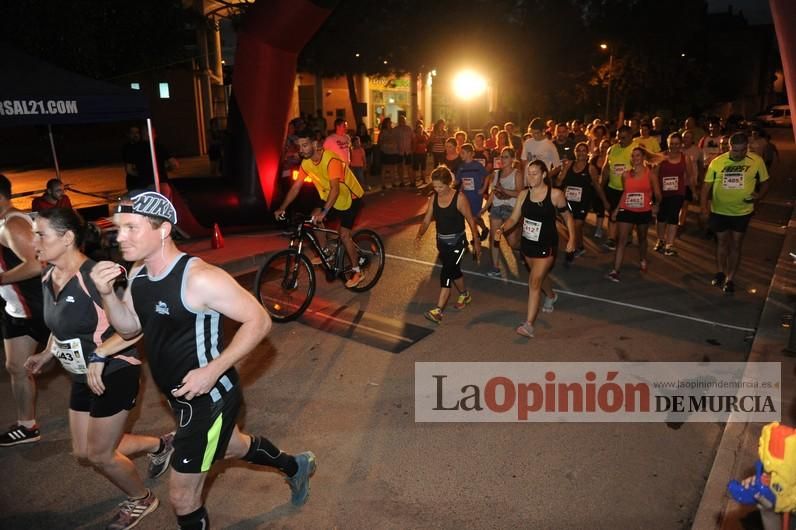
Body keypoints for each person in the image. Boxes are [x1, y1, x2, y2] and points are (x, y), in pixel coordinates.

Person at [91, 191, 317, 529]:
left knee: (183, 499)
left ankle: (295, 467)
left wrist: (212, 371)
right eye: (118, 228)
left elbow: (259, 320)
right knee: (233, 446)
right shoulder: (138, 273)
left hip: (208, 399)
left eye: (131, 228)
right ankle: (296, 466)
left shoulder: (199, 278)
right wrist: (108, 295)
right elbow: (130, 328)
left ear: (164, 229)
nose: (120, 237)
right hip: (178, 396)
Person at [24, 207, 174, 530]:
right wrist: (47, 353)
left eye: (40, 234)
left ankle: (143, 499)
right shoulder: (48, 274)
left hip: (115, 371)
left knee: (100, 454)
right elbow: (62, 326)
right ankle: (161, 445)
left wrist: (101, 354)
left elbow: (135, 327)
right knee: (83, 451)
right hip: (81, 374)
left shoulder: (95, 278)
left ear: (66, 239)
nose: (33, 241)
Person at [275, 129, 366, 288]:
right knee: (313, 218)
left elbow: (335, 189)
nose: (301, 150)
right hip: (329, 197)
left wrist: (324, 212)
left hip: (350, 198)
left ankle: (358, 270)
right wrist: (282, 207)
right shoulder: (306, 163)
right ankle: (326, 252)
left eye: (304, 145)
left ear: (315, 144)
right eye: (299, 146)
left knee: (344, 235)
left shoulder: (331, 160)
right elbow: (296, 187)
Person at [495, 160, 575, 338]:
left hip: (547, 246)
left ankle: (529, 324)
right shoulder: (523, 195)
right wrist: (501, 229)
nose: (530, 176)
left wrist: (572, 239)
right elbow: (514, 219)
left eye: (534, 173)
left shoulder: (555, 195)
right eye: (528, 173)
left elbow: (568, 217)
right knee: (540, 277)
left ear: (544, 175)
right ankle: (552, 295)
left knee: (534, 281)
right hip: (528, 245)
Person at [0, 174, 47, 447]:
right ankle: (27, 426)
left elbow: (37, 263)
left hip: (38, 308)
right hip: (17, 309)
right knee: (16, 367)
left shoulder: (13, 224)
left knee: (82, 365)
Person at [700, 132, 770, 294]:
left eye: (742, 150)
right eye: (735, 150)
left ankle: (730, 278)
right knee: (722, 242)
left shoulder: (756, 161)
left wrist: (758, 196)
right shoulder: (717, 162)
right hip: (719, 211)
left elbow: (766, 182)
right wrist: (703, 208)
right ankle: (720, 272)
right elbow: (706, 187)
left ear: (747, 147)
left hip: (742, 211)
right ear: (729, 147)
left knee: (736, 244)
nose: (738, 154)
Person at [415, 166, 481, 324]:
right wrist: (419, 235)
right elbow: (426, 219)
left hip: (458, 242)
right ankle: (464, 294)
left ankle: (438, 311)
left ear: (449, 183)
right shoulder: (434, 198)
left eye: (441, 186)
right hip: (442, 243)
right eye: (435, 186)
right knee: (454, 270)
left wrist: (477, 242)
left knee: (446, 272)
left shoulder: (459, 198)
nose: (438, 190)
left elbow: (471, 220)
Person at [605, 147, 663, 282]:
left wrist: (656, 205)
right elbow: (625, 193)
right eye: (633, 156)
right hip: (627, 209)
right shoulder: (625, 175)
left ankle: (643, 259)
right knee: (621, 240)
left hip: (643, 211)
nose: (635, 158)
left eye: (638, 156)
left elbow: (658, 194)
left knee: (642, 238)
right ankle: (615, 270)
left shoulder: (651, 174)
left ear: (643, 158)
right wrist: (616, 209)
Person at [558, 142, 610, 257]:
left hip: (583, 201)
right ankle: (580, 246)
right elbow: (559, 182)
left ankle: (574, 247)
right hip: (569, 201)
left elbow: (597, 186)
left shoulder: (590, 168)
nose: (581, 153)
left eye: (583, 150)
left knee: (577, 224)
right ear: (575, 152)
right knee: (571, 226)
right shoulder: (569, 164)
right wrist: (561, 172)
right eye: (579, 150)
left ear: (587, 153)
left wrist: (604, 201)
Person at [481, 147, 522, 277]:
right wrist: (484, 208)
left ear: (512, 159)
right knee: (495, 238)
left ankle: (523, 245)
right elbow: (493, 193)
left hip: (511, 210)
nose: (503, 159)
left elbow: (520, 193)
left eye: (506, 157)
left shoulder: (517, 174)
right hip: (497, 209)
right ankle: (495, 267)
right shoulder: (496, 174)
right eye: (501, 157)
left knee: (512, 243)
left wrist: (504, 191)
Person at [654, 133, 694, 256]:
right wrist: (655, 192)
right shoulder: (661, 157)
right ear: (668, 143)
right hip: (662, 192)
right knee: (661, 217)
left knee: (673, 216)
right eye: (672, 143)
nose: (674, 146)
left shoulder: (685, 158)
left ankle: (669, 244)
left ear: (680, 144)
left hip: (678, 192)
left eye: (677, 144)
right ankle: (660, 239)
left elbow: (690, 175)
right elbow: (654, 175)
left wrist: (694, 190)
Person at [601, 125, 636, 250]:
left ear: (631, 136)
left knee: (626, 216)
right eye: (619, 137)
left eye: (624, 138)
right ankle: (611, 239)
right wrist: (601, 184)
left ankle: (627, 234)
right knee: (612, 213)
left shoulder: (636, 149)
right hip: (613, 187)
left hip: (629, 189)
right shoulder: (612, 149)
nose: (621, 140)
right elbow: (606, 168)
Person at [455, 144, 490, 244]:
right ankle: (477, 235)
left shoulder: (477, 166)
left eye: (463, 153)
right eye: (460, 153)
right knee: (469, 216)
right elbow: (458, 181)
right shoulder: (461, 166)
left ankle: (483, 229)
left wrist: (483, 189)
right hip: (465, 195)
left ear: (470, 153)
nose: (460, 155)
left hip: (476, 195)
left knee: (474, 217)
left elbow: (487, 176)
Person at [377, 117, 399, 189]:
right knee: (385, 168)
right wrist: (386, 141)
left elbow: (396, 140)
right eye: (389, 122)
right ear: (386, 123)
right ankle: (383, 184)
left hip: (393, 151)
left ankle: (393, 182)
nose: (390, 123)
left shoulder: (394, 131)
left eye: (390, 122)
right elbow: (379, 142)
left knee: (393, 167)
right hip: (385, 152)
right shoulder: (383, 132)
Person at [394, 115, 414, 186]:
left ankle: (411, 181)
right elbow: (393, 139)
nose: (402, 122)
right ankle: (402, 182)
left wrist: (412, 148)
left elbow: (413, 139)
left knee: (409, 166)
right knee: (400, 166)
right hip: (399, 151)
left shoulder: (409, 129)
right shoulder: (395, 129)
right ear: (399, 121)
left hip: (408, 150)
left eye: (403, 120)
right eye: (401, 121)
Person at [122, 126, 144, 191]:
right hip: (134, 182)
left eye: (137, 132)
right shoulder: (127, 148)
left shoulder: (144, 146)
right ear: (128, 135)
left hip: (145, 182)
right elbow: (129, 169)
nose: (135, 135)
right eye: (132, 133)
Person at [411, 122, 430, 187]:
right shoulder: (415, 136)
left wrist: (422, 145)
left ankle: (423, 179)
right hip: (416, 153)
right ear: (417, 130)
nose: (420, 131)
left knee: (423, 168)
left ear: (422, 130)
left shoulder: (424, 136)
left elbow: (427, 143)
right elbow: (414, 145)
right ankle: (413, 181)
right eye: (418, 129)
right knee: (415, 168)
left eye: (421, 129)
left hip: (423, 153)